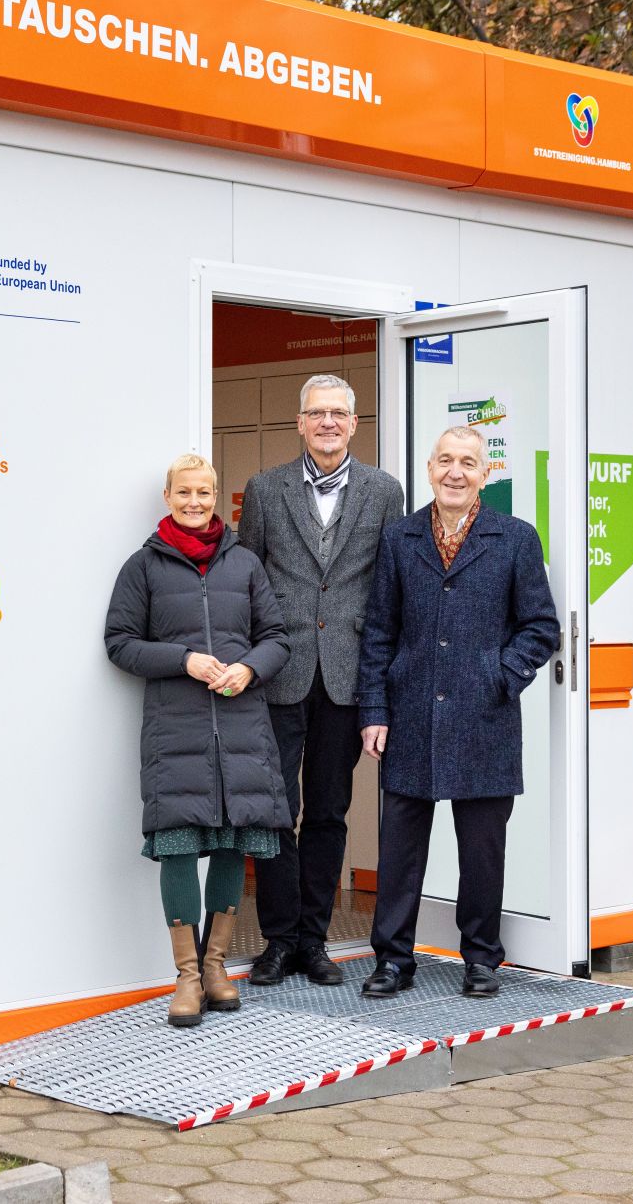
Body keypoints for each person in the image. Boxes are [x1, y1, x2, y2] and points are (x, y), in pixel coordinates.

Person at [354, 425, 560, 999]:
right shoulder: (399, 538)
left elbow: (541, 626)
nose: (456, 472)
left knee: (482, 851)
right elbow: (378, 632)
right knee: (399, 851)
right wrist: (374, 710)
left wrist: (501, 675)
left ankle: (481, 958)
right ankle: (393, 959)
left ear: (485, 474)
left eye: (468, 462)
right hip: (410, 715)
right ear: (429, 468)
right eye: (446, 460)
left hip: (484, 719)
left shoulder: (515, 538)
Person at [105, 453, 292, 1027]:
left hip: (242, 730)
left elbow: (277, 637)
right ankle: (186, 978)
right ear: (168, 497)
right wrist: (183, 659)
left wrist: (252, 669)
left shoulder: (245, 564)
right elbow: (120, 642)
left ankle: (216, 967)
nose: (195, 502)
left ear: (218, 496)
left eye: (205, 493)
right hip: (176, 732)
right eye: (184, 492)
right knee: (180, 846)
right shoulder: (143, 567)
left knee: (235, 844)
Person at [237, 374, 404, 988]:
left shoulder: (386, 492)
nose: (328, 423)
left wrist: (383, 685)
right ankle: (278, 941)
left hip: (346, 677)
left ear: (354, 425)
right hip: (279, 674)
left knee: (330, 812)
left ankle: (315, 941)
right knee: (278, 809)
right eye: (317, 413)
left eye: (339, 413)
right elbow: (247, 580)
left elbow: (388, 590)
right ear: (300, 423)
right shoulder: (265, 489)